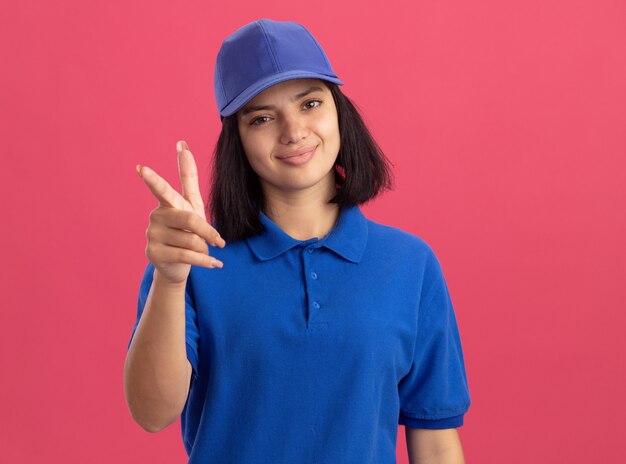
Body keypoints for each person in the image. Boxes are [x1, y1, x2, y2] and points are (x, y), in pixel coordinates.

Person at [124, 18, 471, 464]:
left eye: (310, 103)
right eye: (263, 117)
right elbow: (151, 414)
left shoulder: (410, 265)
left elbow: (437, 443)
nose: (293, 131)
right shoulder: (191, 259)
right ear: (239, 142)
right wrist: (171, 281)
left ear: (339, 111)